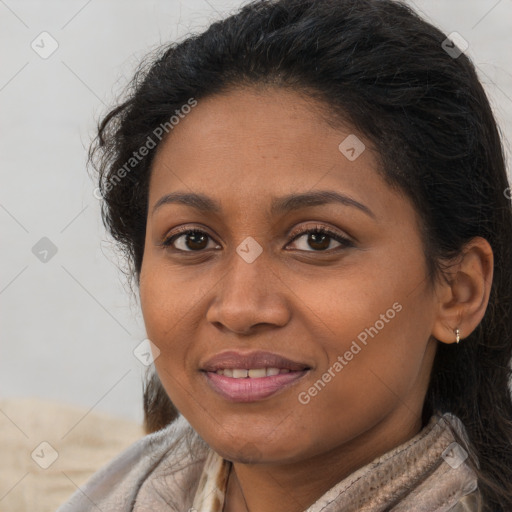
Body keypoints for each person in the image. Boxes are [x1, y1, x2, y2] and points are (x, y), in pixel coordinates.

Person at [56, 0, 512, 510]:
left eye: (318, 240)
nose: (240, 308)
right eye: (193, 240)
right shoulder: (120, 494)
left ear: (459, 291)